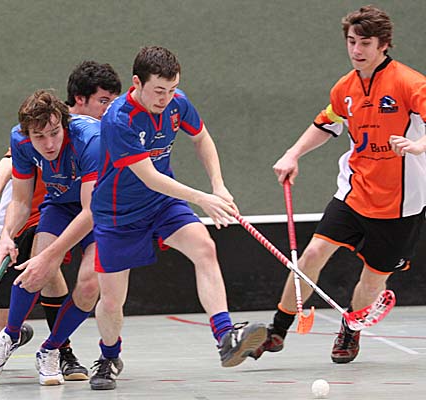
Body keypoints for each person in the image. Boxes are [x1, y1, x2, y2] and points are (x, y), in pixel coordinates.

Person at [251, 5, 426, 364]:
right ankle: (278, 330)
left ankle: (350, 329)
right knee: (311, 255)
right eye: (351, 41)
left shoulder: (410, 83)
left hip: (401, 203)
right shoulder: (345, 88)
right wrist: (293, 154)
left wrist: (419, 145)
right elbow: (326, 123)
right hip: (354, 191)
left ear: (384, 44)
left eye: (365, 43)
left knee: (373, 280)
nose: (356, 50)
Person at [89, 46, 267, 391]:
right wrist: (203, 198)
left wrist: (219, 185)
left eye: (172, 90)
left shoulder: (176, 103)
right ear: (137, 83)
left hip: (162, 203)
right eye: (159, 90)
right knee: (111, 301)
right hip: (118, 215)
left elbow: (202, 139)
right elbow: (148, 176)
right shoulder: (119, 119)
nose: (166, 98)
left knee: (204, 247)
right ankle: (109, 356)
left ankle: (225, 337)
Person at [0, 61, 121, 381]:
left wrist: (49, 255)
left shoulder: (90, 139)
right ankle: (8, 336)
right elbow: (22, 200)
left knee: (89, 285)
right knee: (36, 271)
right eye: (39, 137)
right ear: (27, 135)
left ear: (64, 124)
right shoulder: (20, 141)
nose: (49, 144)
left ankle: (51, 348)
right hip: (59, 206)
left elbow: (90, 212)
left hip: (99, 211)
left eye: (54, 134)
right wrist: (8, 234)